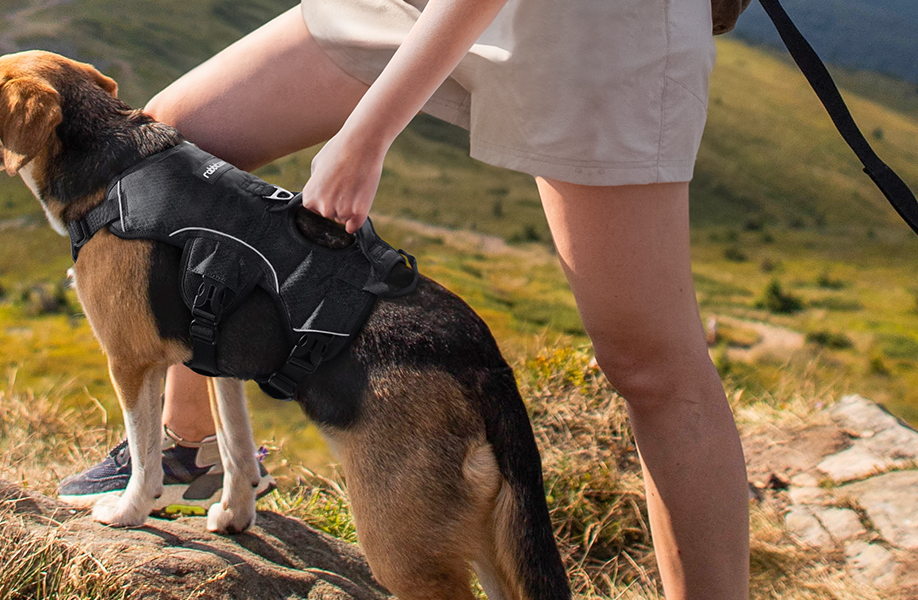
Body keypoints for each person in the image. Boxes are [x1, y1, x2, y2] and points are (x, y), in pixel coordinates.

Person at [56, 0, 750, 597]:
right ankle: (191, 451)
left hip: (599, 25)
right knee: (174, 149)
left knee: (650, 363)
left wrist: (366, 133)